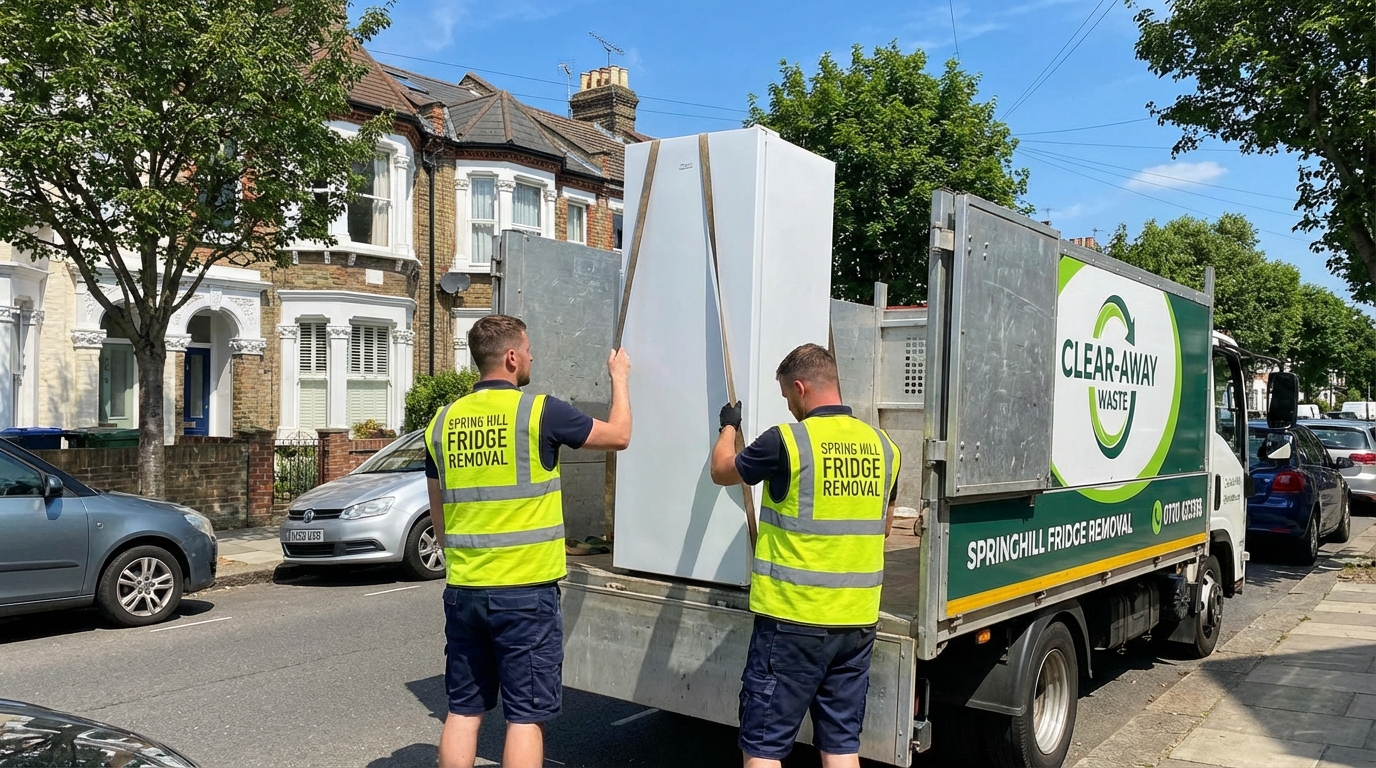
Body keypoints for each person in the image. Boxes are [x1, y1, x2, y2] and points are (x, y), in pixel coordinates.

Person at [425, 314, 632, 768]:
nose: (533, 356)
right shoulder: (540, 411)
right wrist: (619, 378)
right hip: (524, 594)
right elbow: (619, 436)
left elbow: (438, 522)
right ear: (512, 357)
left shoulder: (441, 422)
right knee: (525, 717)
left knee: (463, 710)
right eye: (529, 348)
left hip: (463, 590)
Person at [710, 343, 900, 768]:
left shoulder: (787, 442)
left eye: (786, 396)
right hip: (856, 623)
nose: (789, 406)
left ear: (800, 388)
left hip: (793, 622)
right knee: (840, 746)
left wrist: (728, 428)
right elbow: (885, 526)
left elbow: (722, 471)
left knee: (763, 745)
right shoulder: (885, 447)